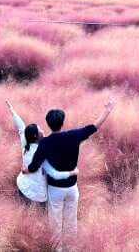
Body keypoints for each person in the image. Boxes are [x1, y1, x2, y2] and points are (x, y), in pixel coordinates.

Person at [27, 100, 115, 251]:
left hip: (55, 190)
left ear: (48, 124)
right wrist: (106, 111)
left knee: (55, 223)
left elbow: (34, 166)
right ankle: (71, 249)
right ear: (62, 122)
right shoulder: (74, 136)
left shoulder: (45, 143)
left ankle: (58, 250)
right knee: (71, 222)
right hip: (72, 188)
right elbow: (93, 127)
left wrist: (25, 169)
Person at [7, 101, 78, 204]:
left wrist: (11, 110)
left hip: (22, 186)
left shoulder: (26, 142)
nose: (42, 130)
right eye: (39, 129)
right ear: (36, 135)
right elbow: (55, 174)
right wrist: (72, 172)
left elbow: (21, 127)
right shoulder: (44, 153)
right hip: (36, 196)